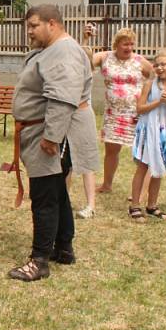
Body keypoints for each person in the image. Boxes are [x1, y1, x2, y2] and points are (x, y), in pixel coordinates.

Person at [8, 5, 93, 282]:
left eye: (34, 26)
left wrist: (51, 137)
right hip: (42, 131)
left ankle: (39, 261)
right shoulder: (51, 49)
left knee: (44, 196)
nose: (29, 31)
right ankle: (64, 248)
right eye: (28, 26)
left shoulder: (64, 50)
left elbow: (62, 96)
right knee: (57, 192)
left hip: (50, 133)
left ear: (52, 23)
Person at [91, 28, 153, 193]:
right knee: (111, 150)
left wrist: (151, 100)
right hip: (113, 113)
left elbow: (157, 75)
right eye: (126, 43)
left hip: (136, 113)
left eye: (132, 44)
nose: (129, 47)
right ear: (117, 44)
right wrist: (86, 39)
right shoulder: (105, 57)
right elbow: (85, 61)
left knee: (142, 153)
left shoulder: (139, 61)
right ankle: (107, 184)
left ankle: (141, 190)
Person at [128, 52, 166, 222]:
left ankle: (152, 205)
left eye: (163, 64)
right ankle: (135, 206)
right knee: (143, 166)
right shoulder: (149, 85)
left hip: (164, 131)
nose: (159, 68)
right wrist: (158, 102)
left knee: (158, 168)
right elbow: (140, 109)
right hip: (148, 128)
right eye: (156, 65)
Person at [67, 23, 102, 219]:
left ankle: (91, 205)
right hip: (68, 117)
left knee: (86, 161)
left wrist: (88, 41)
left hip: (82, 117)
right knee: (67, 162)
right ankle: (65, 198)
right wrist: (86, 39)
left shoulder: (87, 73)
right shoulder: (72, 70)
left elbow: (85, 56)